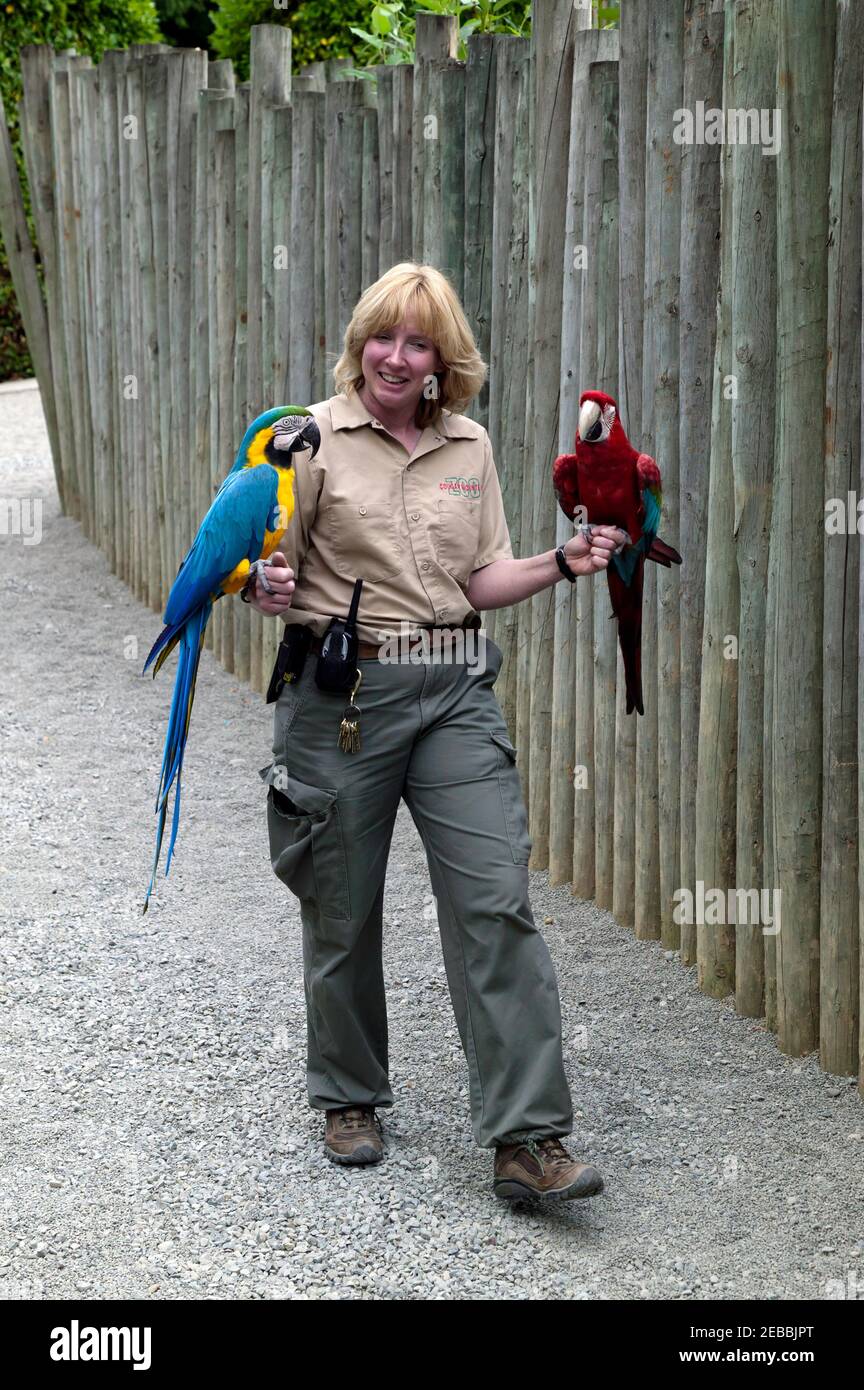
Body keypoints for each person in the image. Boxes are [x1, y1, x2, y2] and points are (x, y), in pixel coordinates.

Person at [246, 262, 624, 1203]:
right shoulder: (310, 441)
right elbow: (264, 572)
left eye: (418, 342)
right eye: (383, 335)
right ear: (360, 343)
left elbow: (481, 578)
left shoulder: (470, 448)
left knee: (495, 896)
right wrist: (263, 587)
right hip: (345, 699)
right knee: (341, 900)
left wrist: (561, 562)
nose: (396, 355)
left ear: (441, 361)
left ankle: (528, 1137)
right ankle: (348, 1094)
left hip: (455, 686)